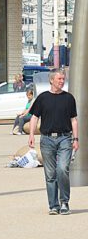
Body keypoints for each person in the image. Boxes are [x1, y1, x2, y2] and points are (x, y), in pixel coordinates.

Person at [28, 70, 78, 215]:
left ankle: (64, 202)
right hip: (47, 139)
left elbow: (73, 120)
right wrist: (31, 135)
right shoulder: (43, 98)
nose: (62, 81)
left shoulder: (69, 98)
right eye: (59, 79)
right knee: (50, 174)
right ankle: (53, 206)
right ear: (51, 80)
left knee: (62, 169)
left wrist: (76, 139)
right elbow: (34, 118)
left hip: (65, 138)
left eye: (63, 79)